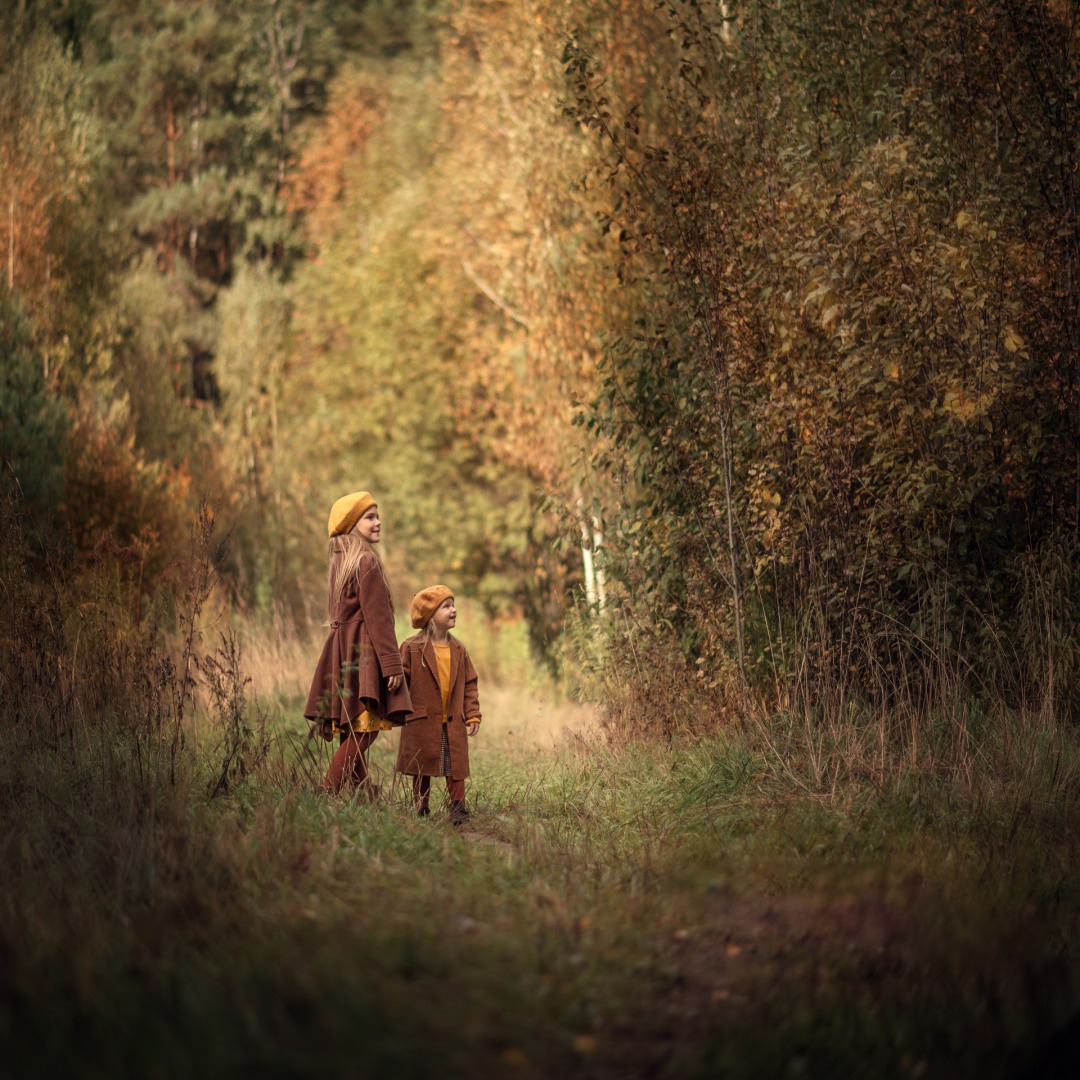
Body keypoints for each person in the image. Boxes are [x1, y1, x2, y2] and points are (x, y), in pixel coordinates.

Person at [304, 491, 412, 799]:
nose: (378, 522)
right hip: (364, 654)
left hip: (342, 651)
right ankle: (328, 788)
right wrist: (391, 665)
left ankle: (366, 795)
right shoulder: (366, 562)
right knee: (365, 730)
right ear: (352, 524)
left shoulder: (340, 562)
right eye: (370, 517)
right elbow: (379, 620)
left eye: (377, 516)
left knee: (353, 725)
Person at [396, 586, 481, 824]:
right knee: (421, 764)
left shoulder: (459, 649)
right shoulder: (412, 648)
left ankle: (458, 807)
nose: (454, 610)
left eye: (453, 605)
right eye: (447, 606)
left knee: (455, 764)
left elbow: (470, 683)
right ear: (430, 615)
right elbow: (400, 679)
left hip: (452, 718)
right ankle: (421, 807)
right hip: (421, 719)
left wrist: (472, 713)